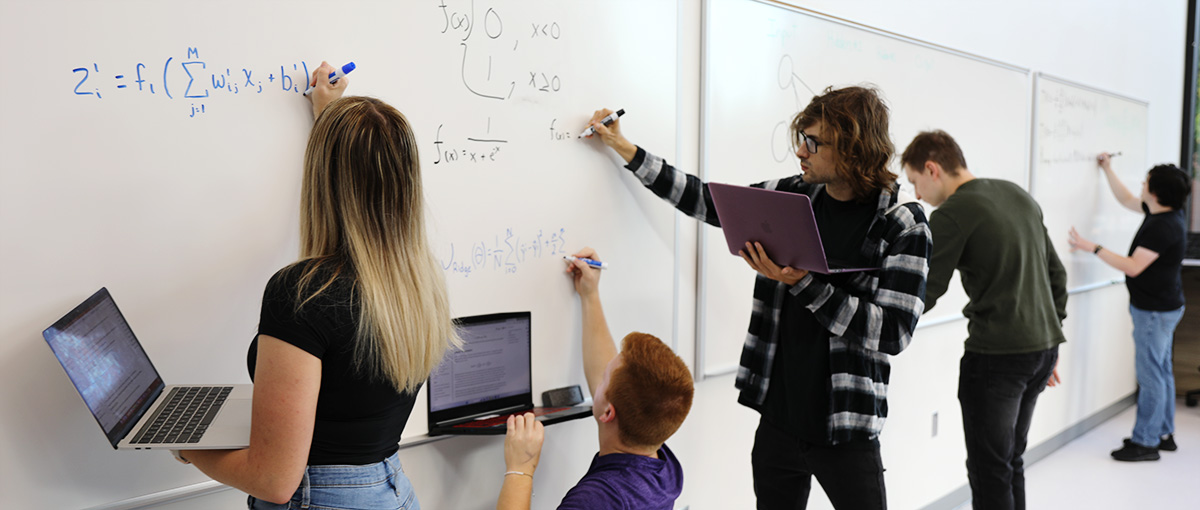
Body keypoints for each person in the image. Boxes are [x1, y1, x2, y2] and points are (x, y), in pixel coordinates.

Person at [585, 85, 931, 510]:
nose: (800, 153)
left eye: (813, 143)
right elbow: (707, 200)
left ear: (853, 147)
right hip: (779, 421)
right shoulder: (791, 197)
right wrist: (625, 147)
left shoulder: (903, 225)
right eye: (800, 140)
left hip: (845, 427)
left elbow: (893, 332)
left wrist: (803, 284)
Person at [169, 62, 461, 509]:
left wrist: (186, 445)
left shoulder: (302, 296)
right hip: (391, 492)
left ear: (321, 181)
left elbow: (273, 480)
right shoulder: (417, 283)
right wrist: (331, 114)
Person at [900, 130, 1066, 510]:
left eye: (915, 182)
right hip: (1040, 352)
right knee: (1011, 461)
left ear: (932, 168)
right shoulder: (1018, 195)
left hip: (997, 359)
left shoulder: (953, 213)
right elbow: (1056, 275)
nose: (918, 196)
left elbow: (923, 292)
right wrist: (1049, 339)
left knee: (990, 471)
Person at [497, 247, 694, 510]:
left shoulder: (596, 500)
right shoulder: (661, 467)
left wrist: (520, 469)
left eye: (604, 378)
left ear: (608, 413)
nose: (600, 376)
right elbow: (620, 394)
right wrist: (590, 296)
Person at [1067, 154, 1192, 462]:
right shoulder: (1167, 210)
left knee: (1151, 376)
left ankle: (1146, 442)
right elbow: (1125, 199)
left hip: (1154, 312)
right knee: (1160, 371)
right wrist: (1107, 168)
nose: (1141, 185)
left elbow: (1133, 266)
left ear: (1156, 193)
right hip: (1164, 307)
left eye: (1146, 182)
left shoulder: (1163, 227)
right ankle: (1162, 433)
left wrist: (1092, 247)